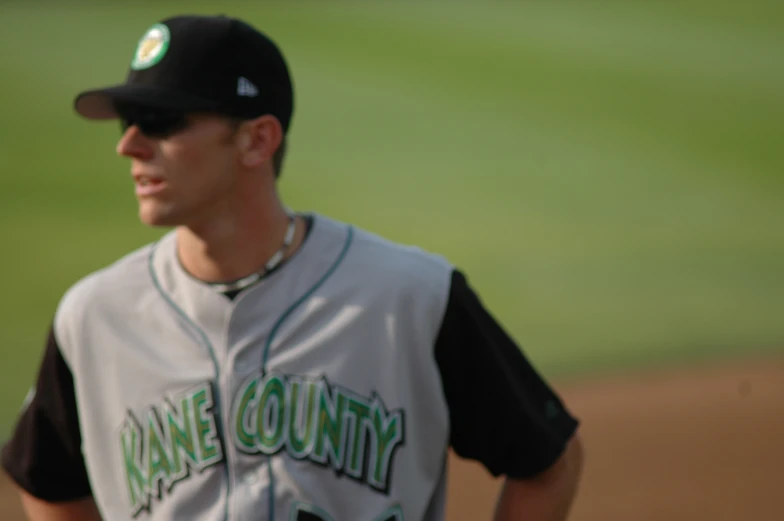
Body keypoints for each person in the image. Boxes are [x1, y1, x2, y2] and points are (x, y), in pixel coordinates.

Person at [1, 14, 584, 521]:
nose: (127, 145)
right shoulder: (95, 316)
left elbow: (549, 461)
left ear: (257, 141)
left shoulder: (409, 299)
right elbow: (46, 480)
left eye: (160, 122)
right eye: (128, 120)